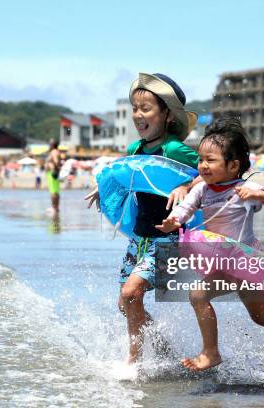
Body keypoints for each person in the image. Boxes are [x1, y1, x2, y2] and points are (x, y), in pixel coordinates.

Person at [156, 118, 264, 380]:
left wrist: (259, 195)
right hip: (223, 259)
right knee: (261, 315)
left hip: (243, 259)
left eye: (211, 160)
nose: (203, 166)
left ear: (233, 165)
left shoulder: (243, 188)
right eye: (200, 160)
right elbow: (184, 209)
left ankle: (210, 352)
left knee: (198, 295)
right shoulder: (202, 190)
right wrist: (173, 221)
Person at [85, 72, 199, 365]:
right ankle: (161, 346)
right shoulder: (134, 150)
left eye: (146, 108)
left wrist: (186, 186)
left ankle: (133, 362)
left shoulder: (174, 149)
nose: (138, 115)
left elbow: (211, 174)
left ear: (168, 115)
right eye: (135, 108)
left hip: (170, 238)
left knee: (131, 291)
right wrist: (104, 188)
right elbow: (125, 177)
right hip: (139, 237)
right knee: (126, 303)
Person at [45, 139, 62, 213]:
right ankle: (56, 207)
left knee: (53, 191)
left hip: (52, 173)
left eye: (49, 144)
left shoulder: (54, 152)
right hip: (54, 172)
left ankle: (54, 208)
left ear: (52, 145)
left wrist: (54, 168)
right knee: (55, 191)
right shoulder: (56, 152)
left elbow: (56, 161)